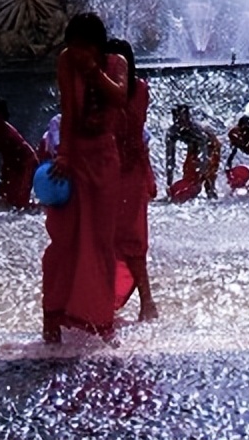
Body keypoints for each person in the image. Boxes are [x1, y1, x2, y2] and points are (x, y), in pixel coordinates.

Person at [41, 12, 126, 343]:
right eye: (72, 46)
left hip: (105, 160)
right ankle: (53, 318)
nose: (77, 53)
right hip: (74, 159)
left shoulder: (116, 63)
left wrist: (93, 73)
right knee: (64, 239)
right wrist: (63, 154)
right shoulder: (65, 62)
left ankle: (102, 321)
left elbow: (119, 97)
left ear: (98, 47)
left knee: (102, 242)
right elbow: (68, 109)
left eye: (84, 47)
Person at [109, 39, 157, 320]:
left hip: (123, 174)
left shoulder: (135, 90)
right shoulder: (138, 88)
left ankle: (147, 302)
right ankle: (143, 303)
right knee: (121, 241)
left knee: (129, 241)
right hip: (124, 173)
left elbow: (131, 131)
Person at [165, 104, 221, 201]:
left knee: (208, 173)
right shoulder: (172, 133)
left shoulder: (196, 130)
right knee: (189, 173)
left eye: (183, 120)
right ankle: (185, 191)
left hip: (211, 144)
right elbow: (170, 156)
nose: (181, 123)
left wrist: (203, 168)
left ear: (188, 118)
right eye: (177, 120)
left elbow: (204, 153)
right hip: (193, 146)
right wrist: (169, 175)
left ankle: (211, 192)